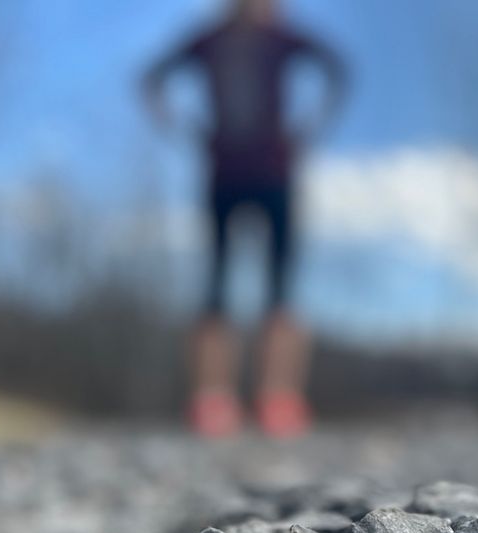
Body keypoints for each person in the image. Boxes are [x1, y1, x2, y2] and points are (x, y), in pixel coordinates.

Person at [143, 0, 348, 438]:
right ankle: (212, 399)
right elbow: (152, 78)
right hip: (224, 173)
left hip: (276, 172)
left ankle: (279, 398)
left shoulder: (284, 38)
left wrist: (310, 127)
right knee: (215, 284)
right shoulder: (208, 40)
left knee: (280, 287)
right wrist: (182, 126)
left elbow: (337, 70)